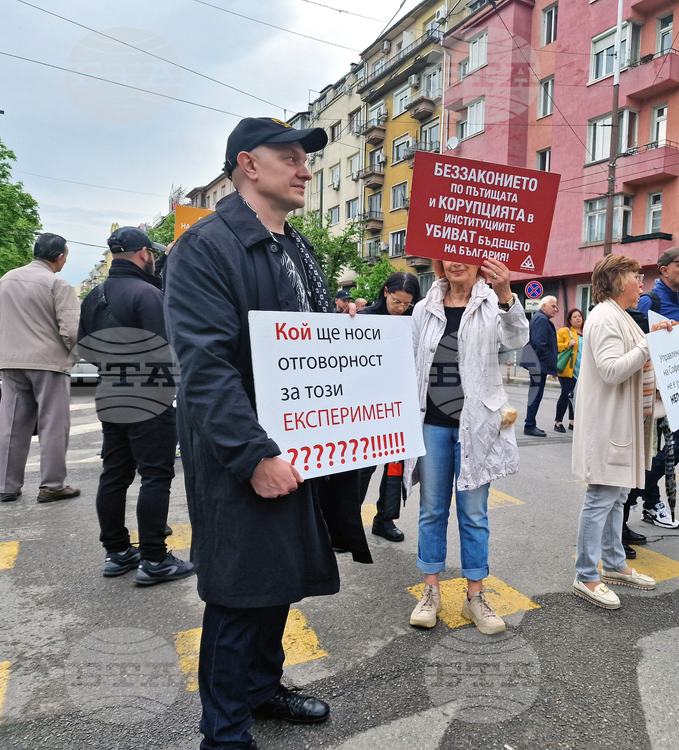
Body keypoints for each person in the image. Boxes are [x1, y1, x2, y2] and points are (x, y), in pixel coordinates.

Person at [165, 117, 366, 750]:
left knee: (276, 577)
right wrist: (254, 455)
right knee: (240, 589)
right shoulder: (205, 247)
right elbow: (204, 368)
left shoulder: (294, 245)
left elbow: (302, 342)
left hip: (299, 445)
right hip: (244, 453)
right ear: (248, 165)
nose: (305, 168)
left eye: (306, 158)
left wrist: (344, 330)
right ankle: (224, 733)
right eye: (291, 157)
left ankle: (261, 688)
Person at [405, 257, 528, 634]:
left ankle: (475, 596)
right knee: (431, 510)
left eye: (465, 254)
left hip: (476, 427)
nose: (456, 261)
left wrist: (507, 293)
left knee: (474, 514)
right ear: (440, 262)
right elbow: (403, 357)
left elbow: (517, 339)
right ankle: (430, 592)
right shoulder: (424, 308)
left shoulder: (492, 304)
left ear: (479, 263)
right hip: (432, 425)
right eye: (448, 255)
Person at [77, 226, 194, 584]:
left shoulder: (94, 296)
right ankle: (156, 559)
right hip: (149, 394)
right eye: (153, 254)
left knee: (115, 474)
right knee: (155, 477)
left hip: (110, 391)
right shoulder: (147, 293)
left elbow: (85, 348)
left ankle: (117, 552)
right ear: (144, 253)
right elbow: (166, 347)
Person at [571, 255, 673, 610]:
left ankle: (613, 565)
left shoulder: (620, 316)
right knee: (601, 498)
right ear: (617, 281)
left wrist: (650, 341)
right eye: (635, 275)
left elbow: (634, 358)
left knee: (615, 499)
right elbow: (613, 370)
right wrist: (648, 345)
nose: (641, 281)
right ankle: (586, 574)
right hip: (608, 423)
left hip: (623, 421)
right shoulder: (603, 317)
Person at [0, 233, 81, 504]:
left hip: (10, 362)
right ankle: (52, 485)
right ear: (60, 257)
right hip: (49, 364)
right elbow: (72, 331)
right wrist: (74, 357)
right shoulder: (57, 284)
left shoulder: (5, 280)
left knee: (11, 426)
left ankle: (7, 485)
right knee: (53, 426)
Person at [634, 247, 679, 529]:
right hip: (653, 392)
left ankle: (638, 490)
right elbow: (634, 345)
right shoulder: (649, 301)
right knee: (649, 450)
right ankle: (648, 501)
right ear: (664, 270)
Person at [355, 271, 422, 542]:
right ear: (385, 292)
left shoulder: (412, 321)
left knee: (395, 467)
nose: (401, 308)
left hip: (400, 405)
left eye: (407, 303)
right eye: (397, 301)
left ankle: (384, 519)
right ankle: (346, 524)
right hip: (366, 406)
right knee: (361, 469)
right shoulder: (364, 318)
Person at [524, 295, 558, 437]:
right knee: (535, 395)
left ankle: (530, 423)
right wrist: (548, 363)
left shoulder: (540, 318)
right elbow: (539, 344)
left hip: (537, 364)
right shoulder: (542, 319)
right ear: (543, 306)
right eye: (553, 306)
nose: (556, 309)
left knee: (535, 394)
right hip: (538, 365)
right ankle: (530, 425)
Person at [554, 308, 584, 433]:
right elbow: (555, 346)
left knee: (576, 397)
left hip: (582, 370)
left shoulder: (587, 332)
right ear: (570, 320)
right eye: (575, 317)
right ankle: (558, 422)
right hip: (568, 369)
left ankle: (573, 421)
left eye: (579, 316)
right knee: (566, 394)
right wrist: (567, 345)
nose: (578, 318)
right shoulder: (564, 332)